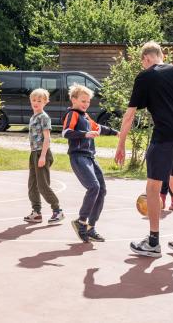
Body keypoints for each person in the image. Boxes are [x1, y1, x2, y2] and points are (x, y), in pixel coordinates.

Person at [116, 41, 173, 257]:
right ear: (161, 55)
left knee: (153, 188)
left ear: (146, 58)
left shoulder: (145, 76)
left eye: (143, 62)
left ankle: (153, 242)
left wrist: (121, 144)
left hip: (164, 137)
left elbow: (129, 115)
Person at [63, 84, 112, 243]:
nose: (86, 104)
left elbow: (98, 128)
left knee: (102, 190)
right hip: (79, 157)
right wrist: (85, 134)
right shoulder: (72, 114)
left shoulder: (85, 116)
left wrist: (116, 132)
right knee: (94, 187)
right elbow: (66, 132)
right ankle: (81, 221)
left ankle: (90, 227)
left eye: (88, 101)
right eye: (83, 101)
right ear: (74, 100)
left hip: (90, 157)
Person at [23, 88, 64, 224]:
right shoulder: (33, 117)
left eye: (39, 101)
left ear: (45, 102)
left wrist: (43, 156)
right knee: (32, 185)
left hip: (42, 153)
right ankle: (36, 212)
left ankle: (57, 210)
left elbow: (47, 138)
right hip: (34, 153)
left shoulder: (44, 117)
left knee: (42, 185)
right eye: (34, 100)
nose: (36, 103)